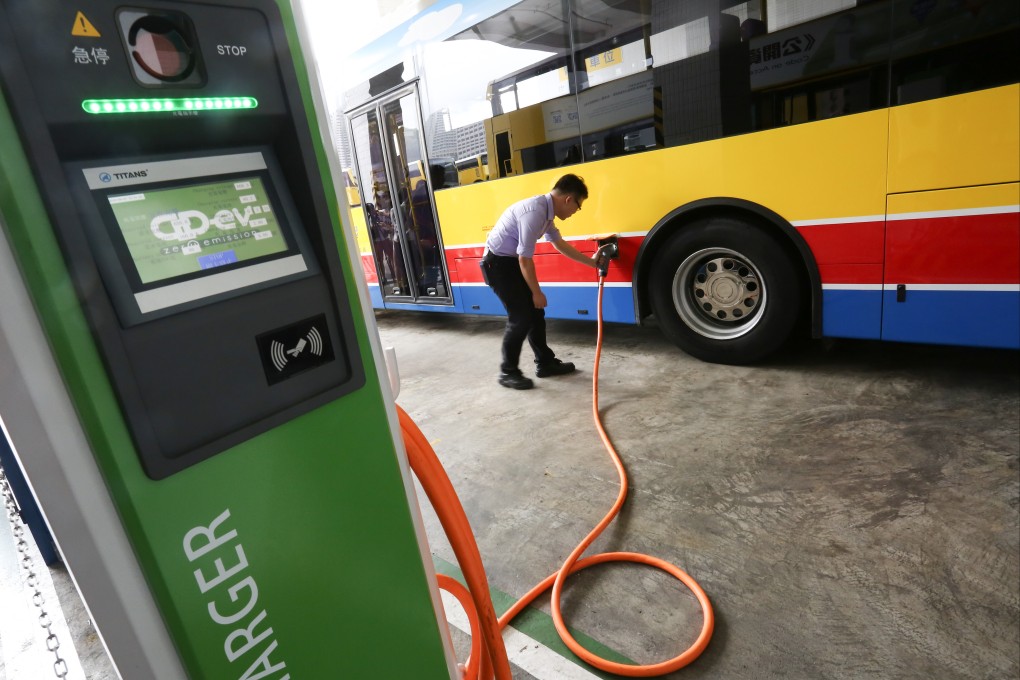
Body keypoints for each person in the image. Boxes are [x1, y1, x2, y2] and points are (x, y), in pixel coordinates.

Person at [480, 173, 601, 390]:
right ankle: (508, 372)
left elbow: (560, 244)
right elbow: (525, 259)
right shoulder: (534, 212)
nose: (575, 212)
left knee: (535, 313)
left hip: (509, 263)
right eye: (578, 206)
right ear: (568, 200)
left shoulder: (546, 215)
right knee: (521, 317)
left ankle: (545, 363)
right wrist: (536, 292)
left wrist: (592, 264)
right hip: (497, 265)